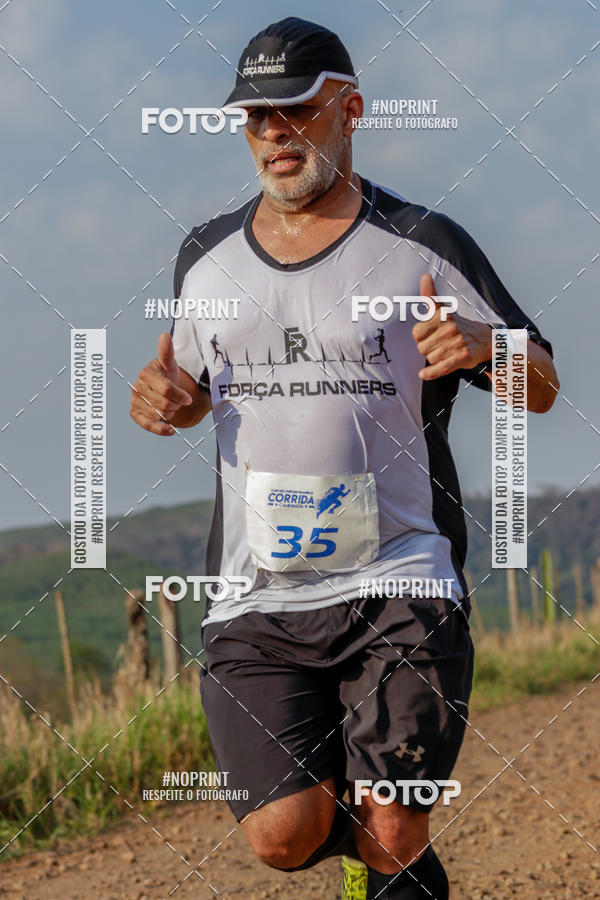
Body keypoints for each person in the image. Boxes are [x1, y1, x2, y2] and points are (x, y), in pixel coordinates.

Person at [130, 17, 559, 899]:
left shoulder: (421, 240)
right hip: (259, 593)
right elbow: (193, 389)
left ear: (350, 110)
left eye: (296, 113)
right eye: (255, 119)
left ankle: (386, 864)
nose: (275, 136)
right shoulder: (203, 259)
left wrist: (486, 346)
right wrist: (167, 402)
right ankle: (367, 861)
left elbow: (542, 381)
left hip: (402, 577)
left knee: (393, 824)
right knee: (285, 836)